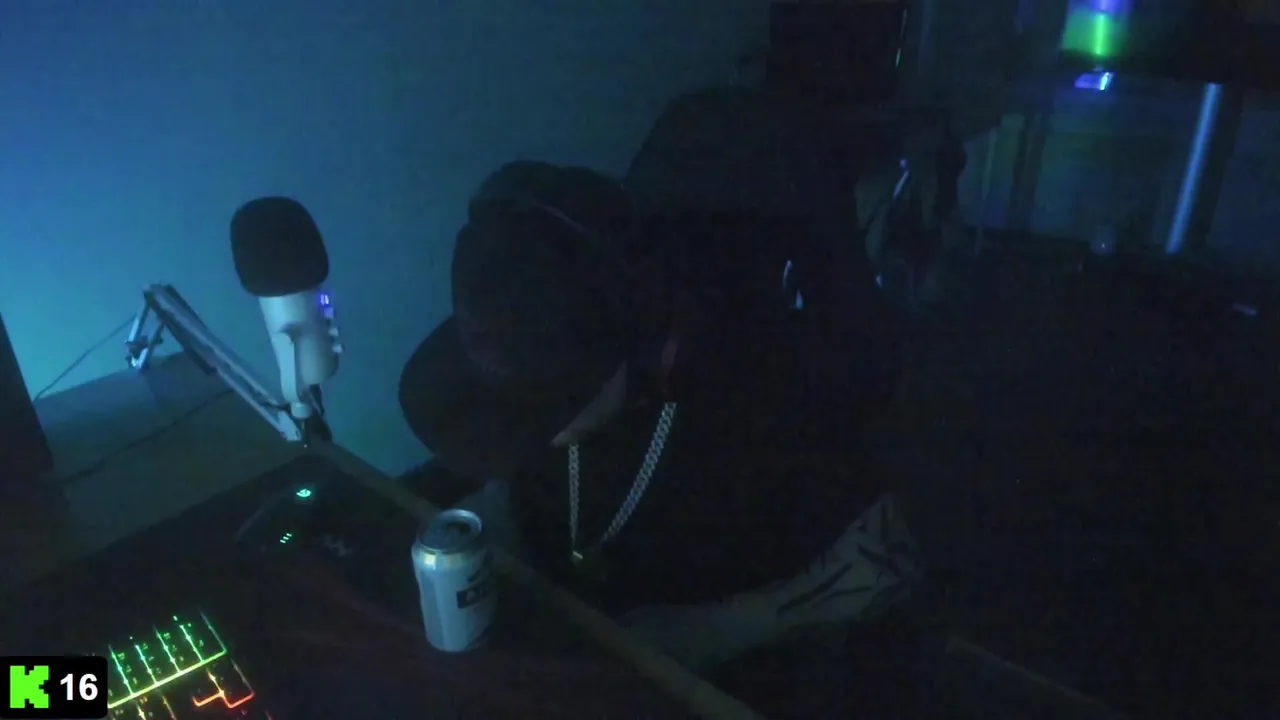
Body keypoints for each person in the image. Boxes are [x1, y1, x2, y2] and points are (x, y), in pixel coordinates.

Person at [398, 159, 917, 673]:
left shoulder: (767, 410)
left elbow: (871, 571)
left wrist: (748, 620)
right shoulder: (534, 321)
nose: (538, 433)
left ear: (653, 353)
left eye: (547, 410)